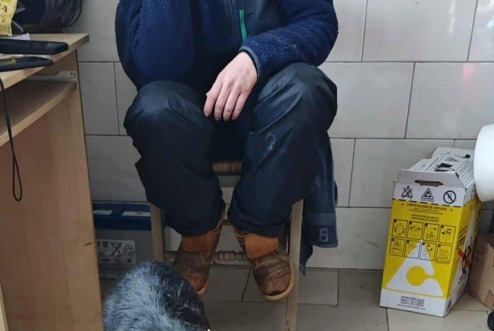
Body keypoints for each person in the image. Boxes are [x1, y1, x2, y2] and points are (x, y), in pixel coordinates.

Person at [116, 1, 338, 302]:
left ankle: (258, 230)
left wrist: (255, 58)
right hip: (186, 123)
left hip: (271, 118)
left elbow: (319, 22)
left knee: (307, 90)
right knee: (153, 108)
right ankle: (198, 232)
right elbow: (151, 68)